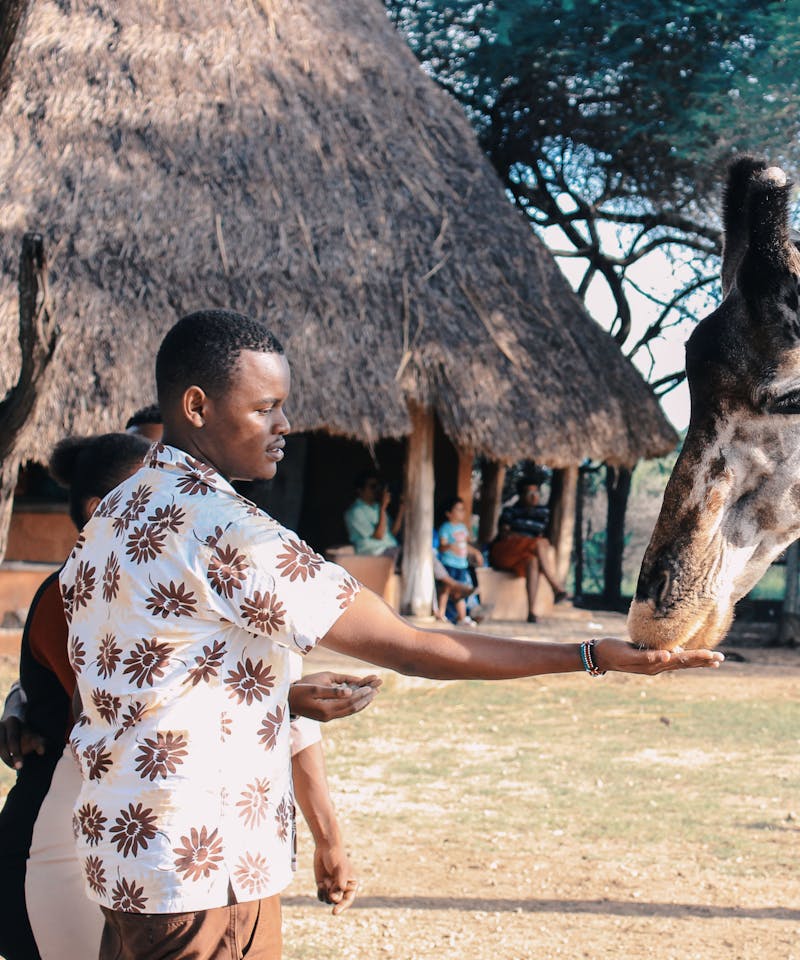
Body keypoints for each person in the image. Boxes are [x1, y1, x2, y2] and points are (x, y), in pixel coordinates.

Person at [60, 309, 722, 960]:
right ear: (198, 406)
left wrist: (275, 700)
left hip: (129, 850)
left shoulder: (116, 514)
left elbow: (151, 679)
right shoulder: (225, 530)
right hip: (205, 865)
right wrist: (589, 654)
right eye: (265, 407)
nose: (285, 424)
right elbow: (412, 646)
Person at [0, 432, 377, 960]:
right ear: (102, 510)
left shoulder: (208, 575)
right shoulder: (85, 590)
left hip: (168, 849)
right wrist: (282, 699)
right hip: (72, 841)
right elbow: (138, 705)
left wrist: (328, 836)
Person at [489, 476, 568, 623]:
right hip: (505, 553)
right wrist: (529, 540)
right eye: (529, 493)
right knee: (539, 543)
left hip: (524, 555)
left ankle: (531, 612)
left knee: (533, 561)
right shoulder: (510, 511)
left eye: (536, 492)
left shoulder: (543, 513)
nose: (534, 496)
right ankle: (555, 586)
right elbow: (505, 535)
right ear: (521, 495)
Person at [435, 496, 484, 626]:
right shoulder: (446, 528)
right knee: (446, 589)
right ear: (449, 513)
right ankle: (441, 613)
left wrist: (476, 553)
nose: (462, 512)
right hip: (449, 564)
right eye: (458, 509)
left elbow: (465, 545)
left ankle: (462, 618)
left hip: (462, 565)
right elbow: (441, 547)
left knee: (459, 592)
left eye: (463, 509)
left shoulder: (463, 528)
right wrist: (450, 546)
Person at [344, 471, 404, 557]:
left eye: (378, 486)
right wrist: (383, 508)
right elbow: (378, 535)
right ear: (360, 490)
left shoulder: (376, 507)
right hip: (375, 552)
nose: (376, 490)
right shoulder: (355, 512)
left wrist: (402, 507)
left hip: (391, 548)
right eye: (373, 487)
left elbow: (392, 532)